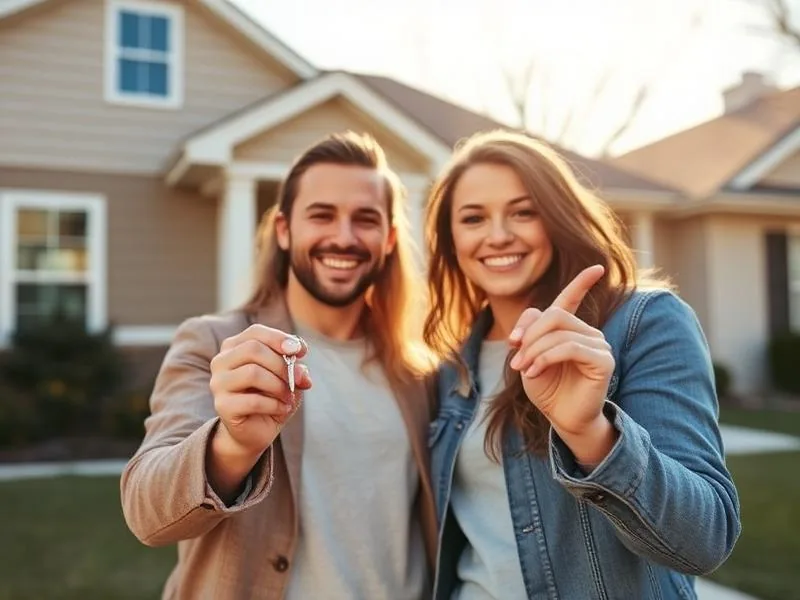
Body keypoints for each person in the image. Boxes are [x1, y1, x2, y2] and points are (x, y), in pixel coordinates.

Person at [422, 129, 741, 600]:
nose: (498, 235)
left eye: (523, 212)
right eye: (473, 218)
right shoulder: (451, 368)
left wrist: (592, 434)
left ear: (556, 218)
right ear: (451, 240)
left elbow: (704, 540)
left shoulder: (644, 324)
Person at [120, 131, 438, 600]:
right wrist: (232, 447)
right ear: (285, 231)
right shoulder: (215, 345)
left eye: (365, 219)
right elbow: (148, 515)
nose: (344, 237)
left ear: (389, 239)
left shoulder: (418, 369)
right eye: (322, 215)